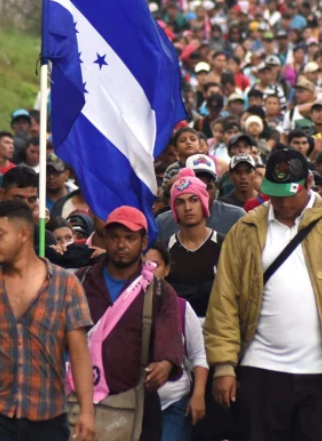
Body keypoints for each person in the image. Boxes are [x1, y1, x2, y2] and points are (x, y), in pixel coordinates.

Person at [205, 147, 322, 441]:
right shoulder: (245, 230)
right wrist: (224, 366)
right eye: (275, 195)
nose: (283, 203)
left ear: (309, 183)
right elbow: (224, 301)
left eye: (290, 194)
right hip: (260, 372)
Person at [0, 200, 96, 441]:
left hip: (48, 416)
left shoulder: (66, 285)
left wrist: (87, 412)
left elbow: (79, 354)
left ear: (24, 234)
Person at [75, 206, 184, 441]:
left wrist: (164, 366)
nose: (121, 244)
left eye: (129, 238)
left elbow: (171, 338)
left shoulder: (159, 292)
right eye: (114, 237)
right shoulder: (81, 281)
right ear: (105, 239)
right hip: (80, 401)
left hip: (136, 403)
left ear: (143, 242)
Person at [145, 245, 208, 441]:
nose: (149, 271)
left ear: (167, 269)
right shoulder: (123, 306)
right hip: (133, 405)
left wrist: (198, 395)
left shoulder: (181, 307)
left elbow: (199, 355)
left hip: (173, 404)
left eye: (155, 265)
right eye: (143, 265)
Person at [165, 170, 224, 318]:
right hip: (176, 324)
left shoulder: (225, 245)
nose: (187, 208)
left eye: (193, 200)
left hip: (217, 325)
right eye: (180, 202)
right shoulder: (165, 249)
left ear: (203, 202)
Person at [155, 155, 246, 245]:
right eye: (197, 187)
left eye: (207, 187)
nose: (204, 194)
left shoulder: (236, 217)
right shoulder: (163, 223)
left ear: (216, 187)